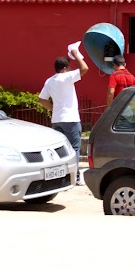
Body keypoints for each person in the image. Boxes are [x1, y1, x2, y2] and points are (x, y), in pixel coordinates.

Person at [38, 49, 89, 185]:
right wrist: (76, 53)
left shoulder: (49, 81)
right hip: (71, 119)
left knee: (60, 150)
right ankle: (75, 177)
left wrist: (53, 109)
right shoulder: (67, 77)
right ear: (65, 68)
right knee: (74, 148)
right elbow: (85, 68)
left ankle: (60, 177)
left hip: (57, 119)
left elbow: (42, 99)